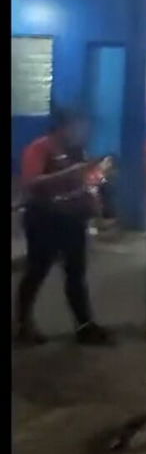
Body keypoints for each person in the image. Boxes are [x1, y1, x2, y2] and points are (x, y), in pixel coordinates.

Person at [14, 109, 113, 346]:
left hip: (72, 219)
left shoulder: (77, 151)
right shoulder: (41, 148)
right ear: (62, 127)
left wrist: (95, 199)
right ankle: (22, 325)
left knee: (76, 274)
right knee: (37, 272)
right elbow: (31, 183)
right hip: (44, 218)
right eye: (78, 126)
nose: (83, 131)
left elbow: (86, 183)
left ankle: (85, 326)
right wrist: (72, 171)